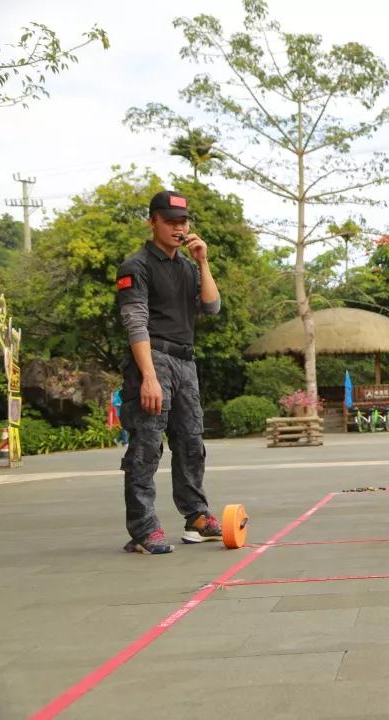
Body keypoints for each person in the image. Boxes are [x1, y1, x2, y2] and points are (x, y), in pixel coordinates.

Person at [116, 190, 222, 554]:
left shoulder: (188, 268)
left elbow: (212, 307)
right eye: (171, 222)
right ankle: (144, 529)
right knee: (147, 445)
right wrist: (148, 376)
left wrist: (203, 262)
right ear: (153, 222)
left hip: (185, 361)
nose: (179, 229)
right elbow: (135, 322)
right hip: (153, 358)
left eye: (183, 222)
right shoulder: (136, 266)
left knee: (191, 441)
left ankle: (196, 517)